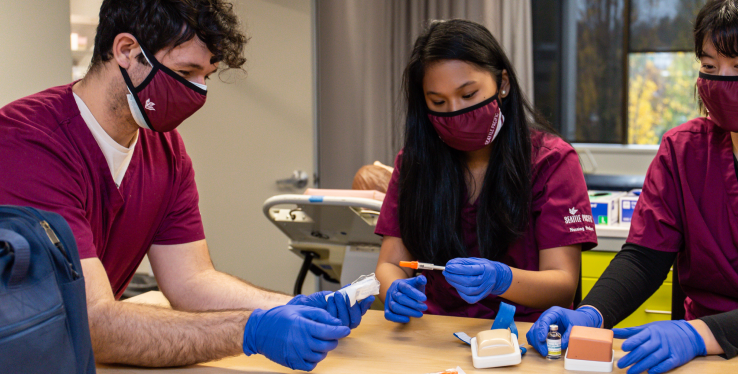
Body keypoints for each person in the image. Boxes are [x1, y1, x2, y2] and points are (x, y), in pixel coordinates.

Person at [0, 0, 371, 371]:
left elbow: (191, 280)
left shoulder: (166, 151)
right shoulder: (29, 142)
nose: (199, 91)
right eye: (186, 70)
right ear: (127, 51)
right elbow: (92, 322)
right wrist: (248, 330)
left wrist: (289, 307)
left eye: (205, 76)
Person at [527, 1, 738, 373]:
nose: (722, 80)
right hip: (702, 359)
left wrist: (695, 334)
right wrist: (591, 314)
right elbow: (644, 257)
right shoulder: (683, 150)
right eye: (709, 67)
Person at [374, 19, 598, 324]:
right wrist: (394, 290)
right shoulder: (414, 163)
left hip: (524, 337)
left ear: (502, 83)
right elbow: (390, 262)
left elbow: (562, 285)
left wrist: (502, 280)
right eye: (438, 101)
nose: (454, 111)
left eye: (468, 95)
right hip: (433, 336)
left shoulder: (552, 161)